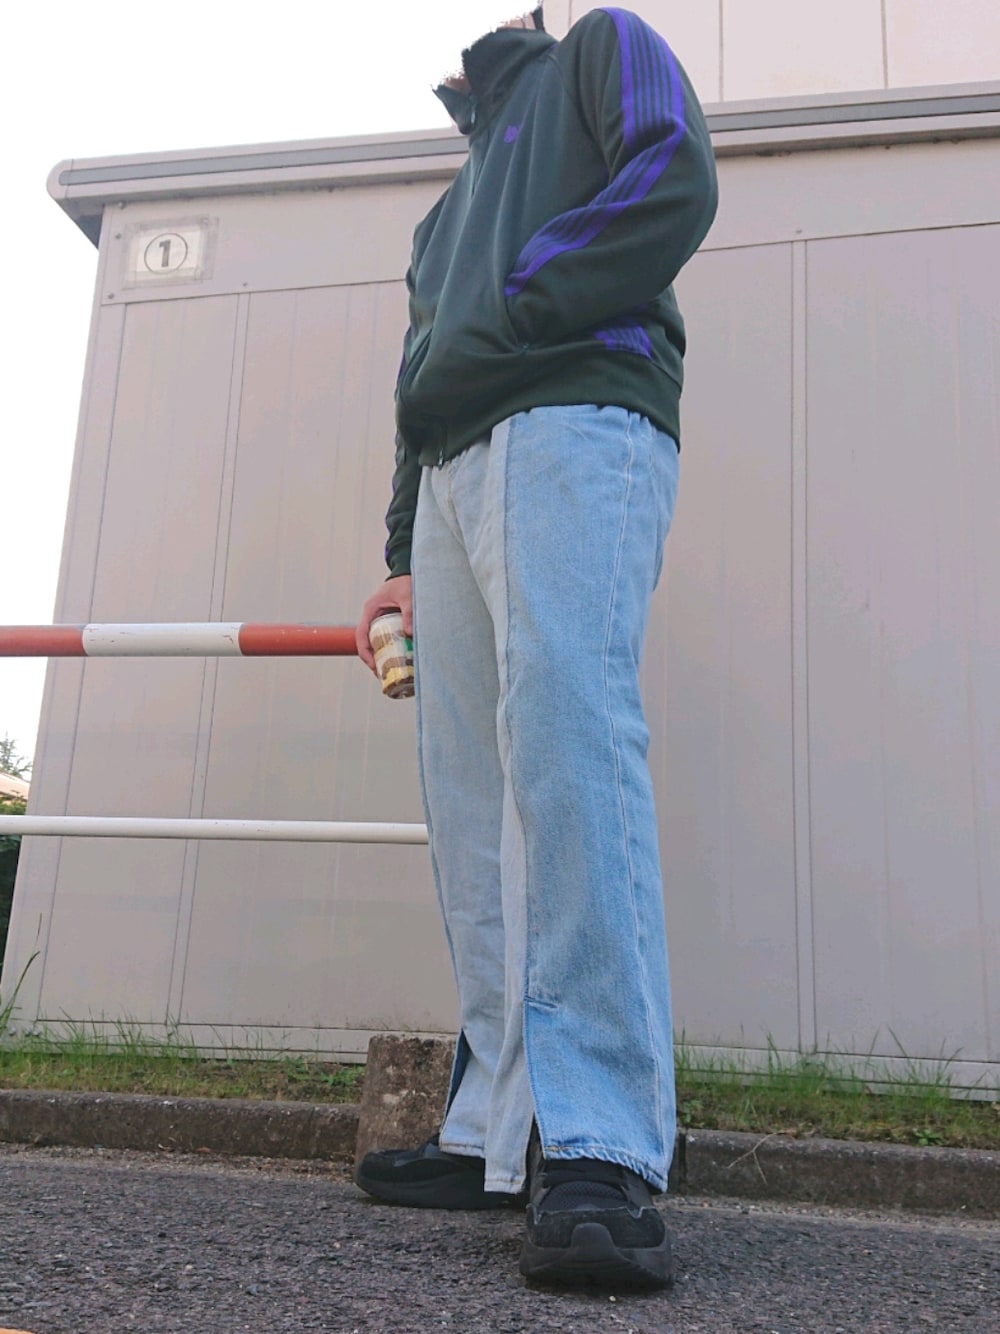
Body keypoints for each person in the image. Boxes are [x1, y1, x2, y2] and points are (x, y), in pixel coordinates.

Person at [355, 3, 717, 1290]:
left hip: (575, 408)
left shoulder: (600, 49)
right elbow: (417, 373)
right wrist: (400, 546)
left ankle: (600, 1137)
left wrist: (519, 305)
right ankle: (497, 1126)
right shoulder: (444, 210)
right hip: (452, 471)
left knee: (568, 734)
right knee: (468, 796)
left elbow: (672, 172)